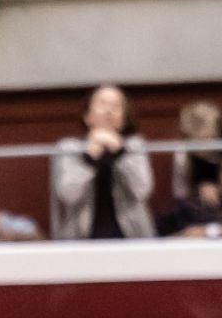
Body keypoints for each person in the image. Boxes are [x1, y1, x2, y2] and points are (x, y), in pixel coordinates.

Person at [52, 84, 155, 239]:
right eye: (102, 104)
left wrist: (119, 153)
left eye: (116, 106)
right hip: (82, 238)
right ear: (87, 116)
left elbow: (142, 190)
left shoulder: (135, 146)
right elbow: (67, 194)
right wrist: (89, 159)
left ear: (124, 119)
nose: (109, 111)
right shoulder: (70, 148)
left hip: (132, 237)